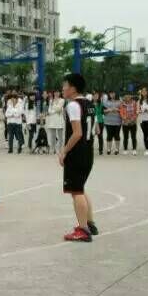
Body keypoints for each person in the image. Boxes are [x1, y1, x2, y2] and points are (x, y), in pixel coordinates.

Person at [59, 74, 98, 242]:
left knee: (76, 191)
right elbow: (96, 130)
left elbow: (77, 133)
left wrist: (64, 151)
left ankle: (83, 230)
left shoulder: (73, 105)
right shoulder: (90, 104)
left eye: (65, 85)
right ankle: (89, 223)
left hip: (77, 153)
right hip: (88, 151)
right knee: (80, 188)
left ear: (73, 88)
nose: (63, 88)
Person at [45, 90, 65, 155]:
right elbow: (49, 110)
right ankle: (53, 149)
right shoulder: (51, 100)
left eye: (58, 92)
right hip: (52, 120)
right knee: (53, 136)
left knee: (60, 136)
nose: (56, 93)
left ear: (59, 93)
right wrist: (55, 110)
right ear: (53, 93)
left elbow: (59, 108)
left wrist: (54, 108)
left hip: (59, 120)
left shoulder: (62, 100)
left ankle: (60, 149)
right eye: (55, 92)